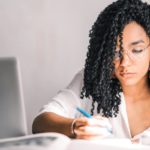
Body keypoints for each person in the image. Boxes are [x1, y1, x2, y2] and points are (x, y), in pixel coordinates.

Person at [32, 0, 150, 142]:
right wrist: (75, 126)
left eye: (136, 50)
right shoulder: (91, 81)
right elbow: (40, 122)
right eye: (115, 53)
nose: (124, 63)